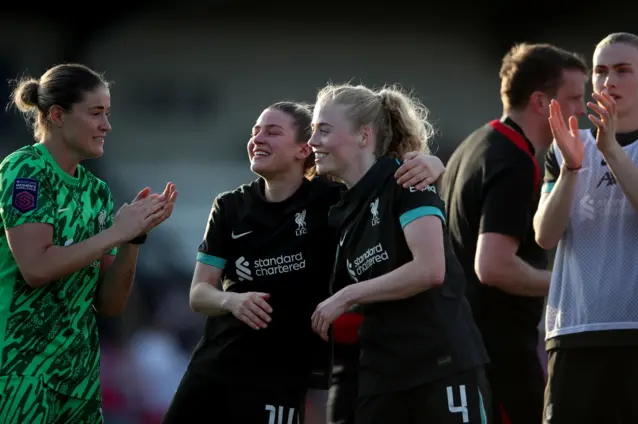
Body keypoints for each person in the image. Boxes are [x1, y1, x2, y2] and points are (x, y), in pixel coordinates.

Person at [161, 101, 444, 424]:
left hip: (279, 375)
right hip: (213, 366)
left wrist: (433, 164)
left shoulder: (331, 200)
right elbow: (198, 294)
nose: (258, 139)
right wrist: (232, 301)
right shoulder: (230, 207)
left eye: (272, 131)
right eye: (255, 132)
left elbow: (381, 180)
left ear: (302, 149)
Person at [0, 63, 177, 424]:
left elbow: (109, 304)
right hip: (21, 370)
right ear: (57, 115)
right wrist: (114, 233)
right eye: (96, 113)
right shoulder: (26, 170)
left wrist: (133, 237)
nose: (106, 126)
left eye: (107, 114)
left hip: (78, 377)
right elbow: (36, 268)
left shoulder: (96, 191)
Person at [309, 83, 490, 424]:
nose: (312, 141)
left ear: (364, 136)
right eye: (312, 130)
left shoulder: (407, 179)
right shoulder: (342, 207)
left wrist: (347, 295)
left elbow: (430, 269)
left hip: (441, 367)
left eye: (324, 130)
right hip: (383, 376)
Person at [441, 43, 588, 424]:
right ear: (541, 102)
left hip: (463, 345)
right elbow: (493, 266)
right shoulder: (515, 160)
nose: (581, 110)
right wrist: (568, 282)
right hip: (498, 353)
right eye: (573, 98)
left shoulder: (475, 145)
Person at [534, 32, 638, 424]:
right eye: (601, 71)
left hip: (635, 332)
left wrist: (610, 149)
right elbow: (544, 235)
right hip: (575, 331)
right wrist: (570, 169)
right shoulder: (568, 144)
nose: (609, 80)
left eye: (623, 70)